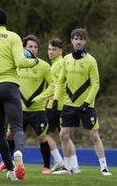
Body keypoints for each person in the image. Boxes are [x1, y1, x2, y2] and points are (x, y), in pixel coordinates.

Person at [0, 8, 38, 181]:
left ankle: (11, 170)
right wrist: (34, 61)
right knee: (17, 126)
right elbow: (20, 61)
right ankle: (18, 150)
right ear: (6, 23)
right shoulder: (13, 37)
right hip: (9, 86)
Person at [51, 28, 112, 176]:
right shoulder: (66, 59)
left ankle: (104, 168)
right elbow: (60, 81)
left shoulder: (91, 60)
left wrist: (87, 102)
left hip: (86, 106)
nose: (78, 41)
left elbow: (95, 84)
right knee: (63, 135)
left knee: (94, 136)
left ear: (85, 41)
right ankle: (67, 167)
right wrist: (56, 99)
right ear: (71, 41)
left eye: (81, 39)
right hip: (68, 104)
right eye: (76, 38)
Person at [16, 34, 59, 174]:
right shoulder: (16, 63)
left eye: (35, 47)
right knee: (10, 135)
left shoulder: (44, 66)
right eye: (30, 46)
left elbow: (53, 85)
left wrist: (41, 97)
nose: (33, 49)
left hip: (38, 110)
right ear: (23, 48)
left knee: (42, 137)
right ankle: (6, 163)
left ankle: (46, 166)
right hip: (20, 109)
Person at [44, 38, 67, 172]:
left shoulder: (58, 65)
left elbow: (58, 85)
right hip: (60, 104)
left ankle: (59, 161)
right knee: (64, 135)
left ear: (60, 51)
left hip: (55, 105)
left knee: (43, 133)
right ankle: (72, 166)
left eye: (54, 49)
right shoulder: (57, 63)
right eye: (49, 49)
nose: (51, 52)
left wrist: (46, 99)